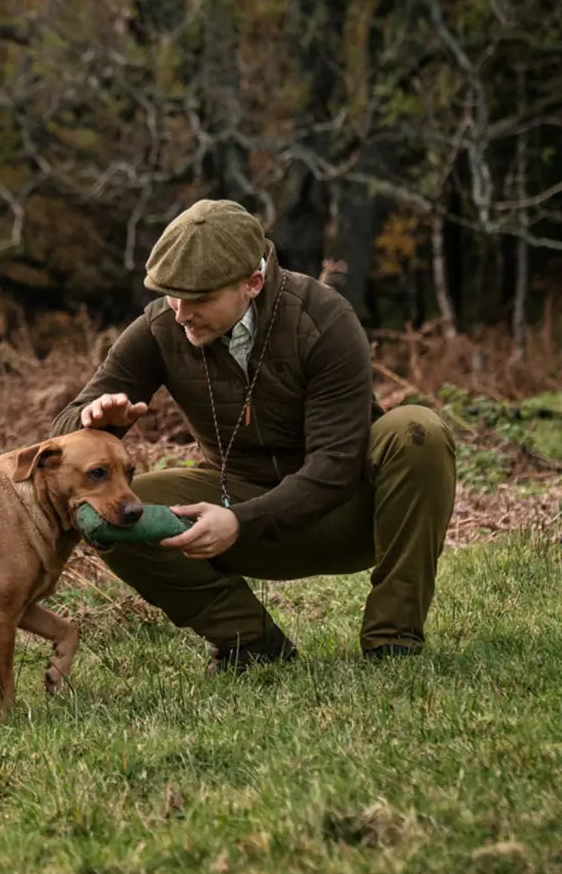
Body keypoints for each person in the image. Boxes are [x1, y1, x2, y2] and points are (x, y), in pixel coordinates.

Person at [50, 199, 456, 670]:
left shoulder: (322, 318)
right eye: (172, 296)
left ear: (252, 282)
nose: (181, 313)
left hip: (350, 515)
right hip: (233, 501)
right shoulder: (163, 327)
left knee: (416, 429)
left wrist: (241, 520)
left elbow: (335, 464)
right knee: (108, 509)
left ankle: (393, 641)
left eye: (198, 298)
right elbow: (59, 438)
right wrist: (95, 422)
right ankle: (251, 644)